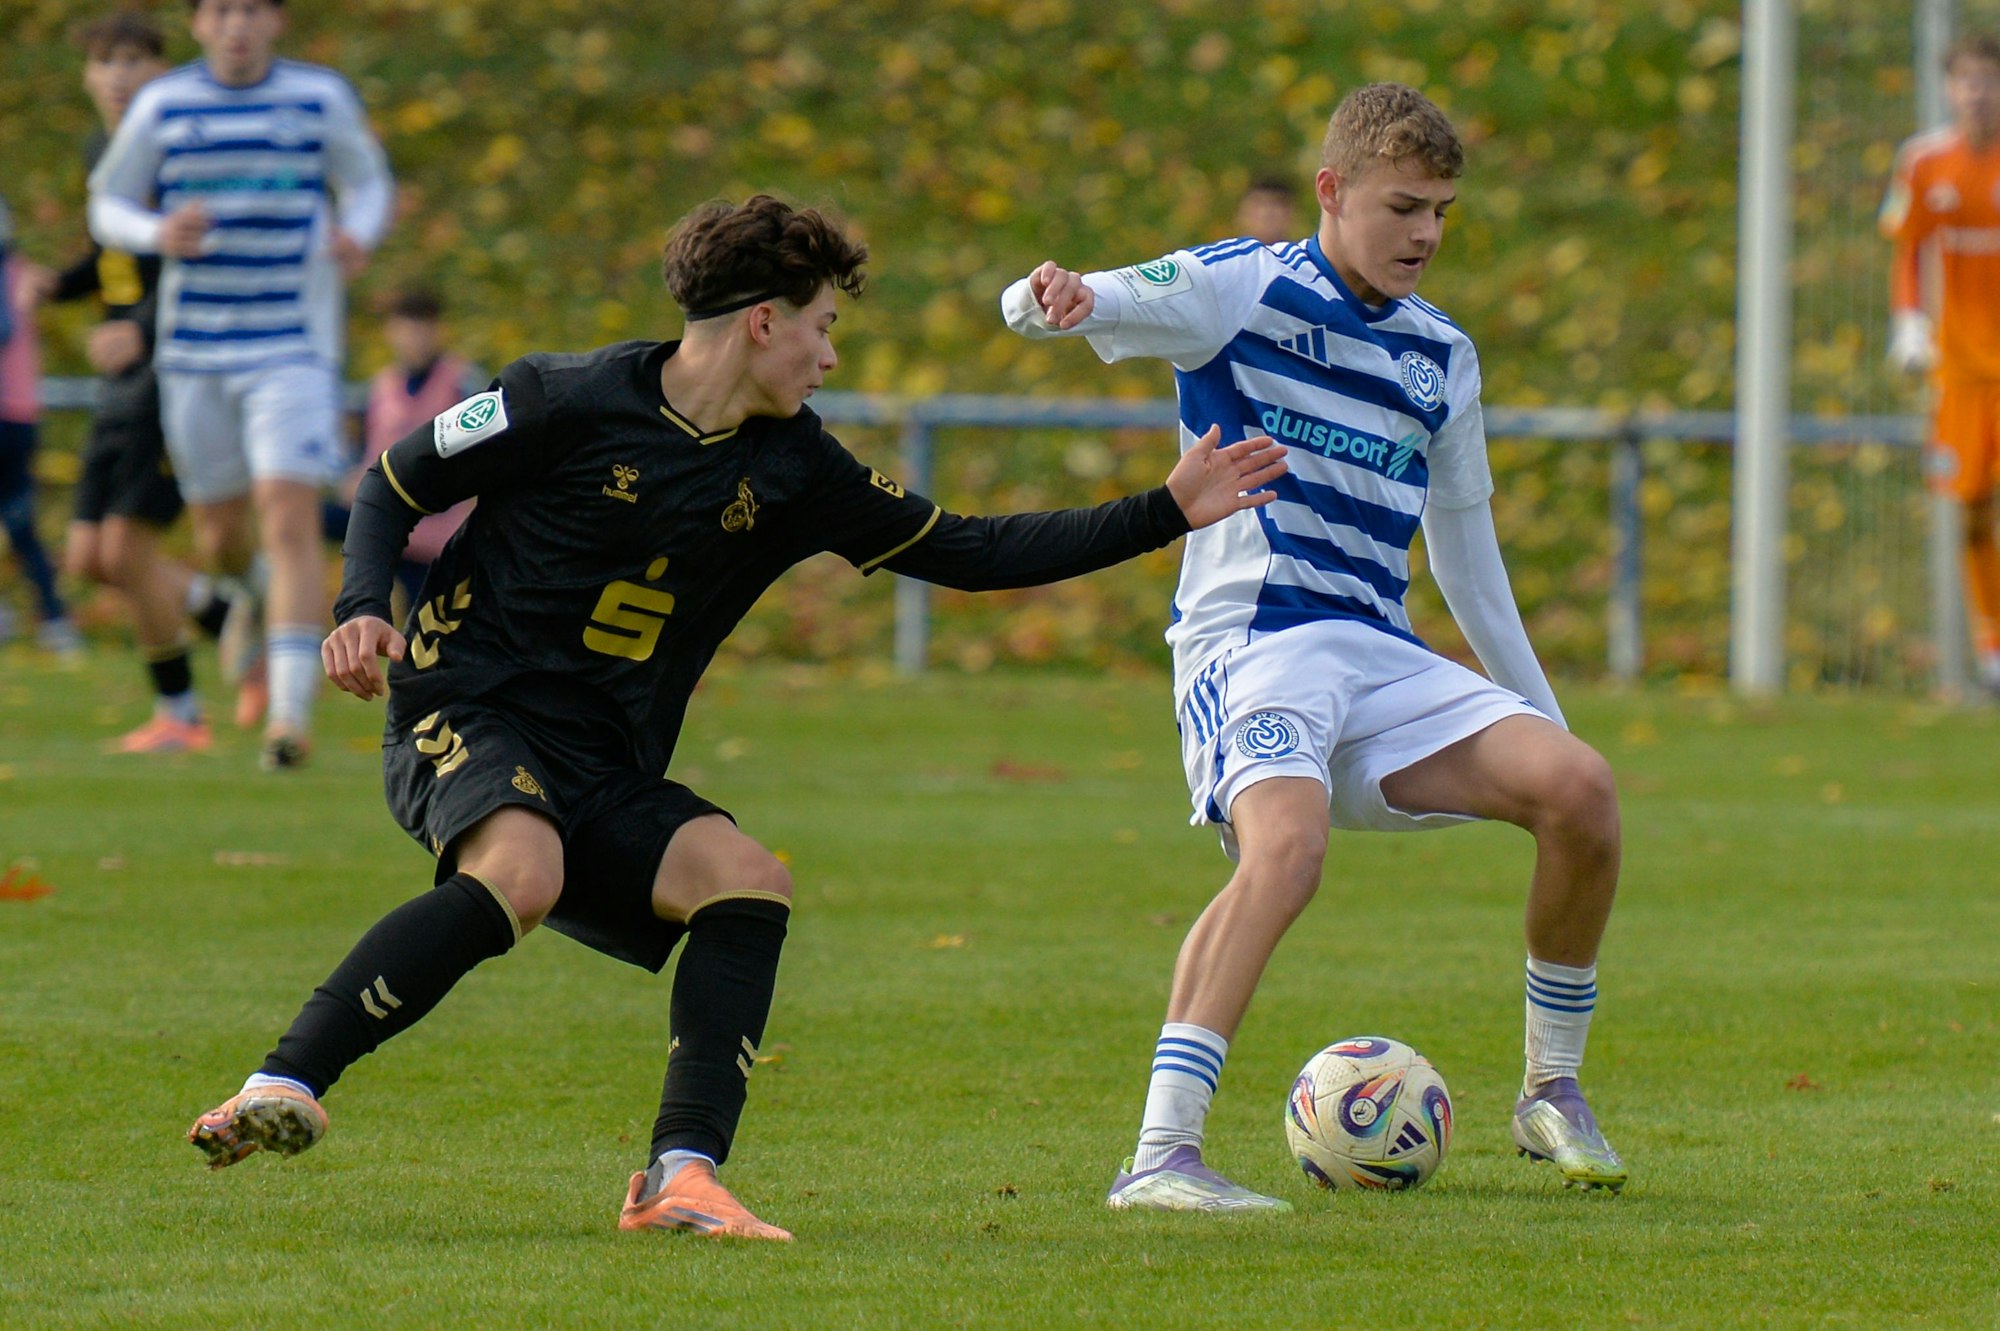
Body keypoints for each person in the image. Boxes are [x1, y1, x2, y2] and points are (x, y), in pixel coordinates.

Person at [184, 194, 1288, 1242]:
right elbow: (392, 481)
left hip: (603, 755)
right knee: (521, 869)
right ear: (760, 322)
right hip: (465, 703)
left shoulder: (793, 465)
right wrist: (361, 606)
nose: (829, 354)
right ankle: (281, 1081)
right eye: (820, 326)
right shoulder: (563, 397)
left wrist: (1165, 510)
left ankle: (681, 1175)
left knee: (745, 877)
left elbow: (968, 549)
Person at [1001, 82, 1627, 1210]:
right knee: (1284, 852)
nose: (1425, 234)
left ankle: (1549, 1090)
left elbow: (1466, 557)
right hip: (1253, 642)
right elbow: (1068, 300)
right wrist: (1044, 298)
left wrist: (1541, 712)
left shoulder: (1442, 355)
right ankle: (1158, 1154)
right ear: (1331, 193)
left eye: (1441, 210)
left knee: (1579, 789)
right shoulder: (1241, 286)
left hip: (1374, 654)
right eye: (1402, 207)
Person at [88, 0, 393, 769]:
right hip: (194, 355)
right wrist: (157, 232)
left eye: (253, 9)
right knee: (221, 537)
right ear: (197, 23)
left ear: (277, 21)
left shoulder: (319, 98)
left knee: (287, 519)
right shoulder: (166, 104)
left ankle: (287, 720)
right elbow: (106, 202)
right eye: (222, 10)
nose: (238, 25)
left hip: (292, 349)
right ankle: (248, 599)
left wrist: (358, 231)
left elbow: (368, 182)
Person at [50, 11, 237, 752]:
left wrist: (143, 325)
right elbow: (112, 253)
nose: (118, 76)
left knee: (124, 550)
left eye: (134, 61)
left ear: (162, 72)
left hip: (175, 369)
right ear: (87, 76)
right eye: (105, 62)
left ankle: (182, 715)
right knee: (87, 558)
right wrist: (56, 285)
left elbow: (201, 254)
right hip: (127, 378)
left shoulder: (178, 148)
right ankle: (223, 612)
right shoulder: (106, 150)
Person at [1881, 32, 2000, 697]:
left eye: (1988, 81)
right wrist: (1908, 325)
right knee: (1972, 510)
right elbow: (1908, 249)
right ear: (1951, 90)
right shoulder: (1925, 162)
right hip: (1959, 371)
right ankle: (1993, 644)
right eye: (1967, 82)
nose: (1978, 94)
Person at [346, 286, 482, 612]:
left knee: (425, 624)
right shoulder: (379, 388)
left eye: (424, 328)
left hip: (437, 529)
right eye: (408, 329)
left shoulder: (461, 383)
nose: (415, 339)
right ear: (391, 331)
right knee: (303, 521)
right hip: (382, 518)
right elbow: (357, 447)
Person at [0, 199, 85, 658]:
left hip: (8, 414)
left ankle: (44, 617)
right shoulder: (26, 274)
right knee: (21, 524)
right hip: (21, 416)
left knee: (19, 522)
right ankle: (54, 618)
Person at [1234, 175, 1303, 248]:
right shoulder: (1225, 257)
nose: (1267, 213)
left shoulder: (1306, 257)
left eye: (1276, 204)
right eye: (1259, 203)